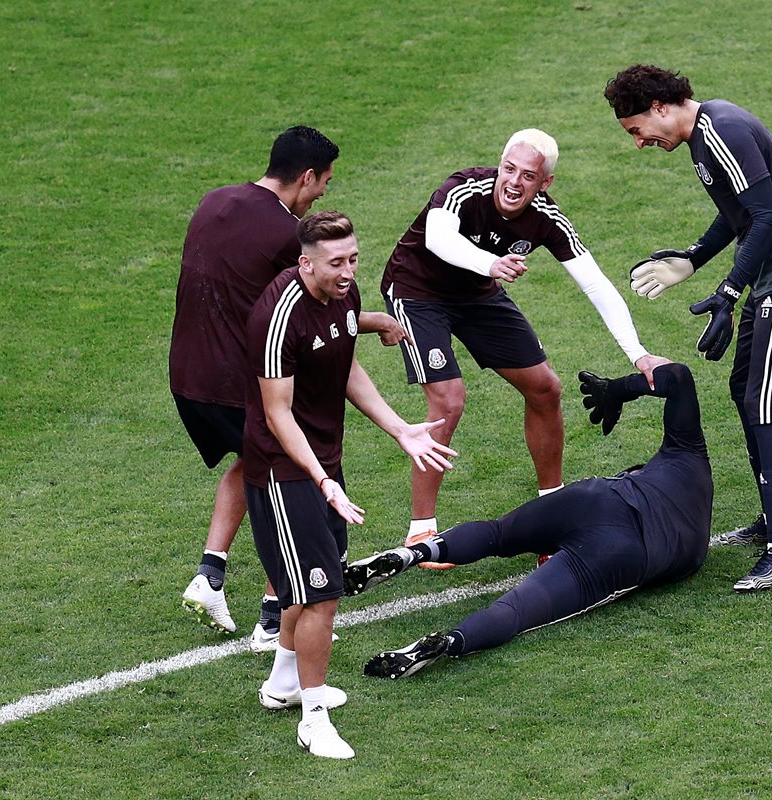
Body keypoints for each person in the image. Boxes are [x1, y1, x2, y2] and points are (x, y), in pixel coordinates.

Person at [380, 128, 669, 567]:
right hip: (418, 292)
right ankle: (422, 528)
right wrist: (490, 264)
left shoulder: (548, 220)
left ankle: (550, 517)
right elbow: (439, 239)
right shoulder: (462, 189)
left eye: (527, 176)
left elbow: (595, 284)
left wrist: (638, 353)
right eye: (508, 169)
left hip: (477, 296)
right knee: (448, 400)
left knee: (545, 388)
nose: (513, 182)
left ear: (544, 183)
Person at [603, 64, 772, 592]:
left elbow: (769, 217)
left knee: (765, 404)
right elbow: (738, 215)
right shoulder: (706, 135)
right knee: (743, 389)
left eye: (637, 129)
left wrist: (729, 293)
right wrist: (692, 259)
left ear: (660, 107)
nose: (639, 143)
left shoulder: (721, 130)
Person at [169, 126, 402, 649]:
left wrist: (368, 320)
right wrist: (375, 321)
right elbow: (310, 319)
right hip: (242, 381)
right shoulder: (288, 238)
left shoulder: (215, 201)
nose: (323, 193)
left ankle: (210, 574)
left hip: (186, 377)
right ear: (306, 176)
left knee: (250, 463)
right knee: (287, 476)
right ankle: (274, 618)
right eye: (324, 183)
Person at [243, 211, 455, 758]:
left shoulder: (342, 294)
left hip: (322, 464)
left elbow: (345, 362)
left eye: (354, 258)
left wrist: (400, 428)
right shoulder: (278, 318)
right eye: (336, 262)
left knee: (315, 581)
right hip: (283, 470)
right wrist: (321, 481)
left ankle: (285, 683)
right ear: (304, 262)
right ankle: (312, 719)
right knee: (322, 594)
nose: (348, 271)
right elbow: (278, 414)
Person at [345, 361, 710, 678]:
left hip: (596, 498)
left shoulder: (687, 453)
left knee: (497, 533)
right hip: (626, 552)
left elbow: (677, 376)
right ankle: (450, 643)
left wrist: (617, 389)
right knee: (517, 611)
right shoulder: (694, 552)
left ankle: (413, 553)